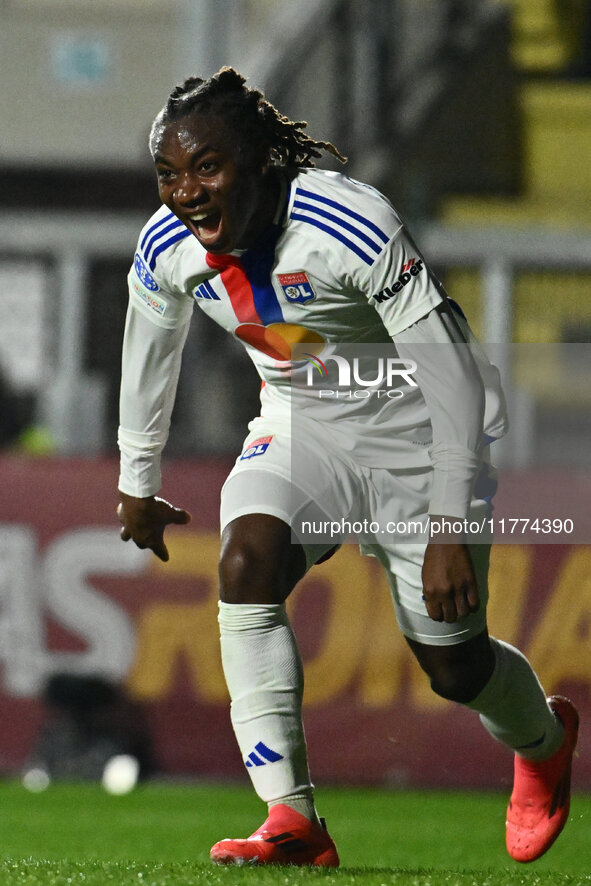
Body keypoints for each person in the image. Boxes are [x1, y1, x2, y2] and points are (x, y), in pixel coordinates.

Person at [117, 67, 578, 867]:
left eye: (206, 168)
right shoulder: (168, 245)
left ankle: (542, 739)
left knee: (453, 665)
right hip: (305, 429)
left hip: (421, 437)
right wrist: (137, 480)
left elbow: (451, 374)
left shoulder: (346, 221)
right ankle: (291, 819)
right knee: (244, 559)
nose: (186, 192)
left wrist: (443, 522)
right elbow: (149, 349)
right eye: (169, 173)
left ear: (261, 159)